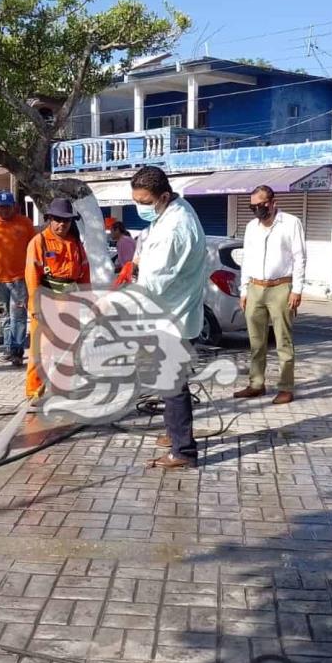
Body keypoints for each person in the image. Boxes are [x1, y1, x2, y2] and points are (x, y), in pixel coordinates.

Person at [131, 166, 207, 470]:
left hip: (171, 315)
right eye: (136, 200)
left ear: (163, 196)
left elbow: (154, 283)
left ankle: (183, 451)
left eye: (145, 202)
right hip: (171, 311)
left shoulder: (176, 227)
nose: (141, 207)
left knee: (173, 384)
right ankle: (173, 434)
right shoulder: (176, 210)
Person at [233, 184, 307, 405]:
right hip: (255, 287)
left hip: (281, 287)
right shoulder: (251, 227)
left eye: (261, 204)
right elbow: (247, 259)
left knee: (283, 340)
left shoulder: (291, 223)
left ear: (272, 202)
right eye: (253, 206)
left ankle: (285, 387)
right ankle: (256, 383)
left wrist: (297, 289)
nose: (257, 209)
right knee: (256, 341)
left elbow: (299, 257)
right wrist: (244, 289)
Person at [24, 199, 90, 400]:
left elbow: (85, 273)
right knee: (41, 351)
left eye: (66, 221)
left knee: (68, 350)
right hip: (46, 302)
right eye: (58, 220)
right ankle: (34, 392)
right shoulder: (39, 242)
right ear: (49, 219)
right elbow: (32, 275)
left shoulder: (75, 243)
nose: (62, 224)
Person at [0, 191, 35, 366]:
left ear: (14, 206)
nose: (4, 210)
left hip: (19, 280)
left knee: (18, 315)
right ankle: (8, 348)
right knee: (3, 315)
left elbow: (35, 250)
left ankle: (17, 351)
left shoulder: (25, 223)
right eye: (1, 207)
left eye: (8, 207)